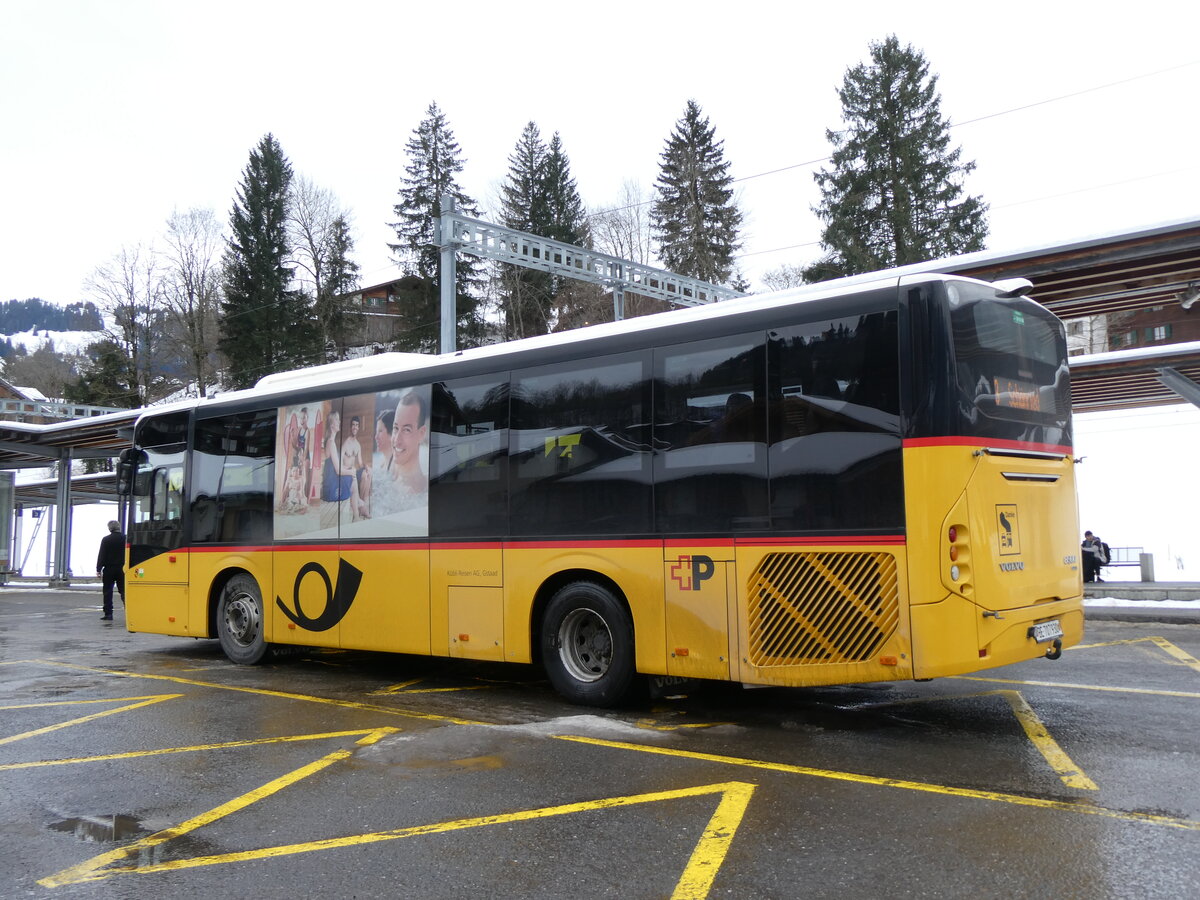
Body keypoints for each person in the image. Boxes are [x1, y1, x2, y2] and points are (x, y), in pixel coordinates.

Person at [95, 520, 125, 621]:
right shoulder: (125, 538)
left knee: (107, 592)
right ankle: (129, 611)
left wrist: (98, 569)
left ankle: (108, 614)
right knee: (124, 591)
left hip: (109, 569)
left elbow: (102, 554)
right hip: (122, 569)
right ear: (119, 527)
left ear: (109, 528)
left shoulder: (106, 539)